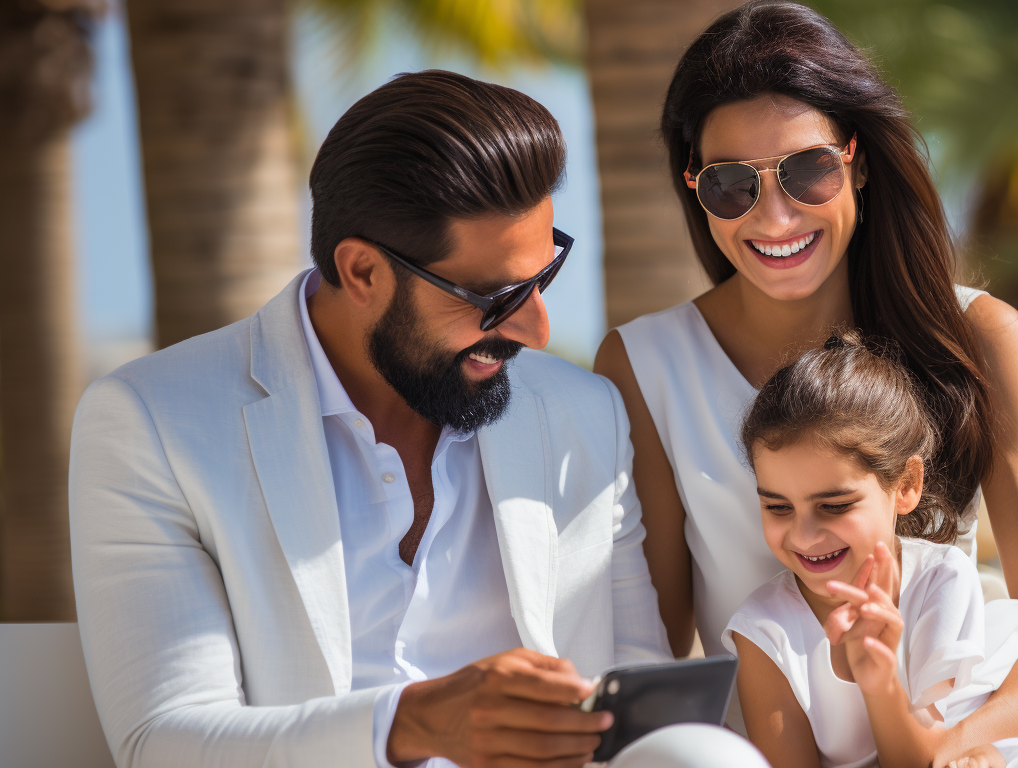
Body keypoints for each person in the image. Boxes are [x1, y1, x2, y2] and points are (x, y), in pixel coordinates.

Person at [69, 70, 763, 768]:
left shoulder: (583, 415)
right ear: (363, 272)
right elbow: (162, 742)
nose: (537, 330)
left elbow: (636, 701)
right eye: (494, 299)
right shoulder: (153, 423)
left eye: (542, 278)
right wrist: (412, 724)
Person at [593, 1, 1018, 756]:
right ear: (694, 188)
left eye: (806, 170)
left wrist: (953, 749)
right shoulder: (643, 365)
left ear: (856, 159)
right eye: (733, 185)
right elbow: (655, 644)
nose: (774, 216)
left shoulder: (981, 339)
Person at [724, 332, 1018, 768]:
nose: (804, 535)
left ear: (907, 485)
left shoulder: (939, 581)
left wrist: (881, 684)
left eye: (833, 506)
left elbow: (924, 760)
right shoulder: (763, 631)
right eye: (777, 507)